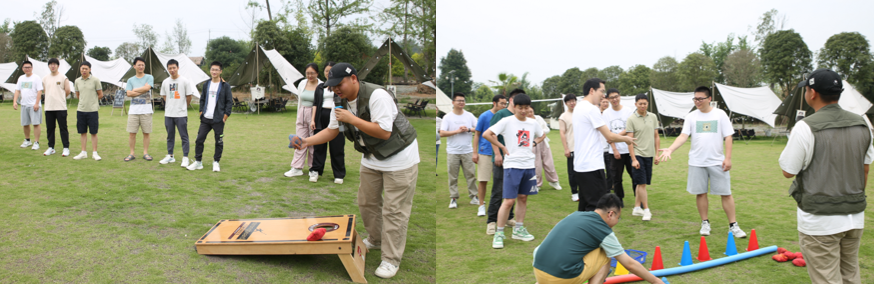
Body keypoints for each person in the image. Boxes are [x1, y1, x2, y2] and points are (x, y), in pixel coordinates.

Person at [290, 63, 419, 279]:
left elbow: (384, 132)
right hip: (371, 157)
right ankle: (376, 240)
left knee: (394, 211)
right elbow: (332, 130)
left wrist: (352, 119)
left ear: (354, 79)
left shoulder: (378, 96)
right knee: (367, 202)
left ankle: (391, 259)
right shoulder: (339, 100)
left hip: (400, 157)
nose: (335, 89)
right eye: (332, 86)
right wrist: (305, 142)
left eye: (339, 84)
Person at [778, 69, 872, 284]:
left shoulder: (805, 127)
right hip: (854, 215)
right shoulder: (862, 123)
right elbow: (865, 169)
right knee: (850, 275)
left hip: (820, 219)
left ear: (812, 93)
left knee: (826, 279)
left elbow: (788, 171)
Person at [658, 86, 746, 238]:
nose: (697, 101)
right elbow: (683, 136)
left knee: (726, 194)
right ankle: (705, 223)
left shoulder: (720, 114)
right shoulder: (691, 116)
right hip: (697, 162)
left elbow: (728, 136)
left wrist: (728, 158)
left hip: (717, 162)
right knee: (700, 193)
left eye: (700, 99)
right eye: (695, 99)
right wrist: (670, 149)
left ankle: (733, 225)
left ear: (709, 99)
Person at [532, 194, 665, 284]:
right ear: (610, 214)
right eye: (618, 218)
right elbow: (629, 264)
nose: (617, 222)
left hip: (538, 271)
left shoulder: (576, 215)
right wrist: (656, 281)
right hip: (560, 277)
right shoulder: (602, 230)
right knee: (605, 254)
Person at [482, 94, 543, 249]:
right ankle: (499, 233)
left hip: (528, 165)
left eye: (526, 108)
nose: (523, 111)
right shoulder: (506, 121)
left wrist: (534, 143)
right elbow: (487, 134)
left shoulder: (532, 123)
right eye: (520, 107)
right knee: (509, 201)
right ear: (514, 106)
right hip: (512, 166)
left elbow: (543, 134)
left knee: (523, 198)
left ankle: (518, 230)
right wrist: (502, 147)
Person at [573, 78, 635, 212]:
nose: (603, 95)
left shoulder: (578, 107)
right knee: (596, 206)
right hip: (592, 165)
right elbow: (609, 136)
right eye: (601, 91)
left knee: (584, 205)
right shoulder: (591, 109)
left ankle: (582, 226)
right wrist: (626, 139)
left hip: (580, 165)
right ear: (592, 90)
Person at [485, 89, 526, 235]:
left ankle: (509, 217)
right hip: (502, 159)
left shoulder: (519, 117)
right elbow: (491, 135)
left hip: (516, 161)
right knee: (498, 190)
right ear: (512, 100)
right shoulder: (501, 115)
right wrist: (497, 154)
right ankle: (491, 221)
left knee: (513, 191)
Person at [188, 61, 233, 172]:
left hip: (218, 119)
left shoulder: (225, 86)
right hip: (205, 118)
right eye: (212, 69)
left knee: (218, 141)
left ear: (220, 71)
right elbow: (202, 99)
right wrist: (201, 112)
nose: (214, 71)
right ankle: (198, 162)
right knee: (199, 140)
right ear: (210, 70)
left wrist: (225, 116)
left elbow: (229, 102)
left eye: (216, 70)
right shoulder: (206, 84)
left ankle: (216, 162)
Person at [440, 92, 479, 210]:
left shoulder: (469, 116)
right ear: (453, 102)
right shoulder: (448, 117)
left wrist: (468, 129)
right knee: (453, 176)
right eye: (459, 100)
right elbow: (442, 133)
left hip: (467, 151)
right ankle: (453, 198)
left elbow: (479, 128)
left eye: (463, 100)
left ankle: (474, 196)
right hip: (453, 151)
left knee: (471, 175)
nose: (461, 102)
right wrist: (457, 131)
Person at [310, 61, 346, 184]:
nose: (328, 73)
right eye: (326, 71)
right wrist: (313, 119)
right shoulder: (320, 87)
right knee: (319, 145)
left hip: (337, 116)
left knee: (337, 146)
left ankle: (339, 174)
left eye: (331, 71)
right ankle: (315, 171)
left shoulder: (340, 86)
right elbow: (315, 104)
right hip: (321, 116)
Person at [626, 94, 660, 221]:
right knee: (642, 183)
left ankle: (636, 208)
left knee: (641, 183)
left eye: (645, 103)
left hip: (649, 154)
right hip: (638, 154)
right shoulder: (631, 119)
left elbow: (656, 136)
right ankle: (646, 209)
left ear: (648, 104)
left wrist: (657, 154)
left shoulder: (653, 117)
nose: (642, 106)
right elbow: (629, 141)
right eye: (640, 103)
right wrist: (633, 159)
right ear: (636, 104)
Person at [286, 63, 320, 180]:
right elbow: (300, 100)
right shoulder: (302, 83)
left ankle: (313, 168)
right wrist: (299, 115)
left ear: (317, 73)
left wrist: (314, 119)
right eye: (307, 73)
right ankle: (297, 168)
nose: (310, 76)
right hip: (302, 112)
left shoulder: (321, 85)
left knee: (312, 142)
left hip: (314, 115)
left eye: (312, 73)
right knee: (299, 140)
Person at [474, 94, 507, 216]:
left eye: (505, 104)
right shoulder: (484, 116)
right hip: (486, 152)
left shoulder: (505, 116)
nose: (504, 106)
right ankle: (481, 205)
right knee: (483, 180)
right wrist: (475, 152)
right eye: (502, 103)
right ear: (494, 103)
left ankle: (501, 206)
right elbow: (477, 134)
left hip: (501, 153)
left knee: (501, 181)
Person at [158, 59, 193, 168]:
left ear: (178, 68)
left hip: (181, 114)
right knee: (170, 136)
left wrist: (184, 107)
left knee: (184, 136)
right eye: (170, 68)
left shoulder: (185, 81)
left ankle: (185, 157)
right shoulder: (165, 82)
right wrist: (170, 105)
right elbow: (164, 96)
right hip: (169, 114)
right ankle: (170, 155)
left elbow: (189, 96)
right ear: (167, 69)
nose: (172, 70)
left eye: (174, 67)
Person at [603, 88, 635, 203]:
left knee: (635, 176)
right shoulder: (606, 113)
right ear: (608, 99)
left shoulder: (628, 111)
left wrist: (615, 136)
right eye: (611, 97)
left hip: (629, 150)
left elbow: (630, 129)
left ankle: (639, 200)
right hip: (615, 151)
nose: (614, 99)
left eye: (616, 96)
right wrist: (614, 149)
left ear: (620, 96)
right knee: (616, 178)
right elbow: (607, 133)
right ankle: (619, 200)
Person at [124, 57, 155, 162]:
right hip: (133, 111)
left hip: (146, 110)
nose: (141, 67)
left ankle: (145, 153)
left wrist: (135, 90)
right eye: (139, 65)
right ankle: (132, 153)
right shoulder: (130, 80)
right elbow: (128, 93)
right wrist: (142, 89)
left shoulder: (149, 77)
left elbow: (147, 88)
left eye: (142, 65)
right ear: (134, 66)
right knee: (132, 133)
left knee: (146, 133)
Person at [72, 61, 103, 161]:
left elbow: (100, 94)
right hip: (81, 110)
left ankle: (95, 153)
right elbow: (78, 95)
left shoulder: (95, 80)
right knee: (82, 132)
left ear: (90, 69)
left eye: (86, 68)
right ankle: (83, 152)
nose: (84, 70)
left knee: (93, 132)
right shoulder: (77, 81)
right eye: (82, 68)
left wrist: (92, 102)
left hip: (93, 110)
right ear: (80, 69)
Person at [41, 58, 71, 156]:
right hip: (49, 107)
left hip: (60, 107)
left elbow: (67, 91)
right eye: (51, 64)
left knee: (63, 128)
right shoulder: (45, 78)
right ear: (48, 66)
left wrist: (60, 98)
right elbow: (45, 91)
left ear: (58, 66)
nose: (52, 66)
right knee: (50, 128)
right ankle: (51, 147)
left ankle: (66, 148)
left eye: (54, 64)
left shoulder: (63, 77)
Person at [13, 60, 43, 151]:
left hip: (34, 105)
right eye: (25, 67)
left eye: (29, 67)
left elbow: (39, 91)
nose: (27, 69)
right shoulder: (21, 78)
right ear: (22, 68)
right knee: (25, 123)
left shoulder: (36, 78)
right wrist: (14, 101)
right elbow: (17, 90)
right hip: (24, 104)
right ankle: (27, 140)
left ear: (32, 68)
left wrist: (36, 103)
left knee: (36, 123)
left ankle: (36, 142)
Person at [528, 110, 561, 191]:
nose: (530, 113)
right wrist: (538, 132)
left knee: (549, 163)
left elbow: (547, 129)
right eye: (528, 112)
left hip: (543, 141)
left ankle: (554, 181)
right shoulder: (525, 121)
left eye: (531, 111)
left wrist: (540, 132)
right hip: (532, 143)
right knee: (536, 165)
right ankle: (537, 184)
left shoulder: (538, 118)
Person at [559, 94, 580, 202]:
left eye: (573, 101)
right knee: (572, 172)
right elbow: (562, 133)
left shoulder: (580, 113)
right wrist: (566, 148)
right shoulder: (563, 116)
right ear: (566, 103)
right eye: (569, 101)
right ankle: (574, 192)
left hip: (582, 147)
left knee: (583, 171)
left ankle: (583, 191)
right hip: (572, 147)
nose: (572, 103)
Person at [599, 98, 613, 197]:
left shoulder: (610, 115)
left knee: (610, 170)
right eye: (603, 102)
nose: (605, 103)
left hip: (609, 147)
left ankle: (608, 190)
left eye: (607, 102)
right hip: (599, 148)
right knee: (600, 171)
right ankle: (601, 189)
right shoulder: (596, 114)